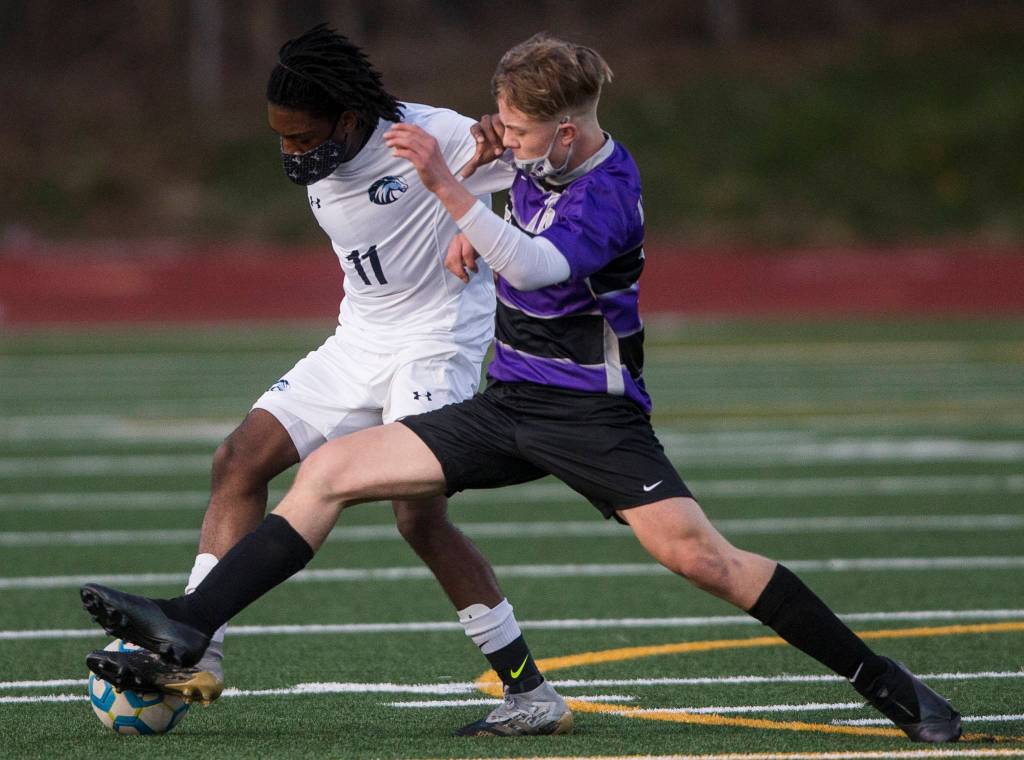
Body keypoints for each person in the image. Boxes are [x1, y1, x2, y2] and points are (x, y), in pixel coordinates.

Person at [81, 33, 961, 743]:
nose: (497, 137)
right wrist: (475, 216)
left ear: (568, 135)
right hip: (508, 405)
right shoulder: (538, 159)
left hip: (593, 416)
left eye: (516, 129)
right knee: (325, 472)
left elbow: (541, 266)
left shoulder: (609, 189)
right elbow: (504, 204)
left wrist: (453, 195)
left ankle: (894, 689)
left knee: (703, 559)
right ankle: (191, 625)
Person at [97, 23, 572, 736]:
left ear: (350, 120)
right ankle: (195, 647)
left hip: (434, 343)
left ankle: (530, 694)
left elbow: (552, 166)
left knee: (419, 516)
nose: (290, 151)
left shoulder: (436, 137)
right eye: (280, 137)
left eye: (300, 137)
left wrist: (497, 168)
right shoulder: (328, 149)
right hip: (360, 338)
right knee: (238, 459)